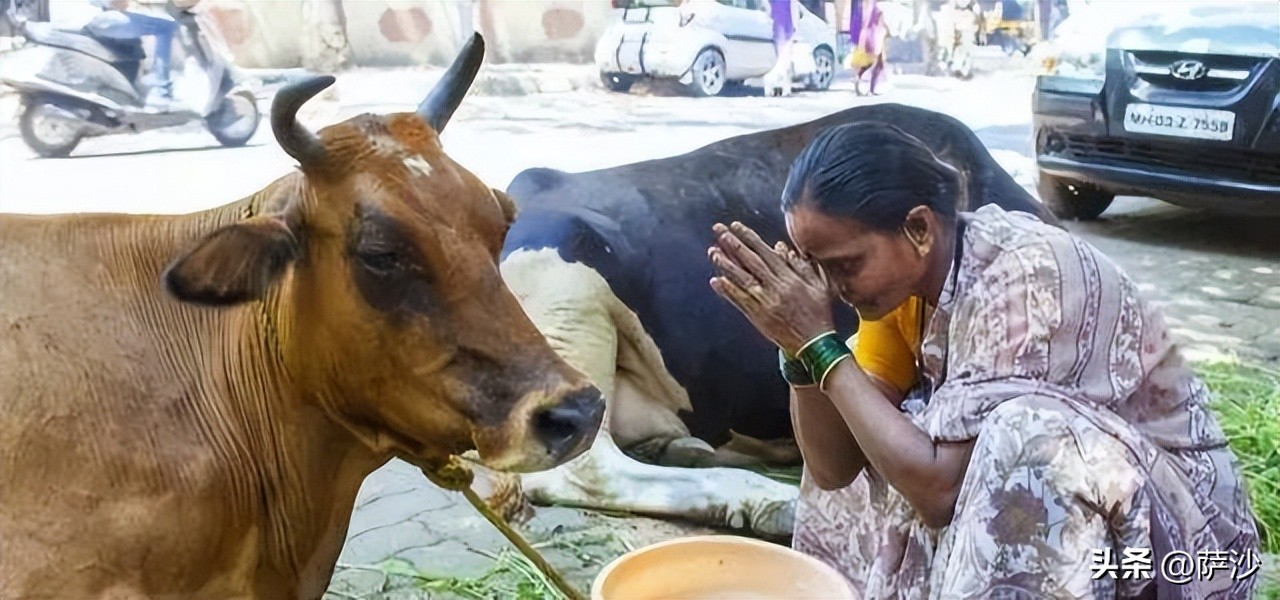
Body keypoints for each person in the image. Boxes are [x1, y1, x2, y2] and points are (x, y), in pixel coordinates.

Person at [706, 122, 1260, 598]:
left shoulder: (1029, 274)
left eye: (846, 264)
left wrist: (818, 344)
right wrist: (797, 349)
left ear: (919, 229)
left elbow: (940, 492)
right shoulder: (902, 294)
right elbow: (834, 472)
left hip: (1187, 556)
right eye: (816, 268)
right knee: (865, 413)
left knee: (1022, 435)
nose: (832, 287)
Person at [85, 0, 179, 110]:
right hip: (99, 20)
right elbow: (119, 4)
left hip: (86, 19)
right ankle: (162, 90)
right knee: (166, 26)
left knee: (135, 23)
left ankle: (137, 81)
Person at [847, 0, 887, 95]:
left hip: (865, 37)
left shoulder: (863, 7)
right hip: (874, 37)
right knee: (875, 64)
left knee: (869, 64)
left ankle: (860, 81)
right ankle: (871, 88)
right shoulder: (876, 8)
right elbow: (879, 24)